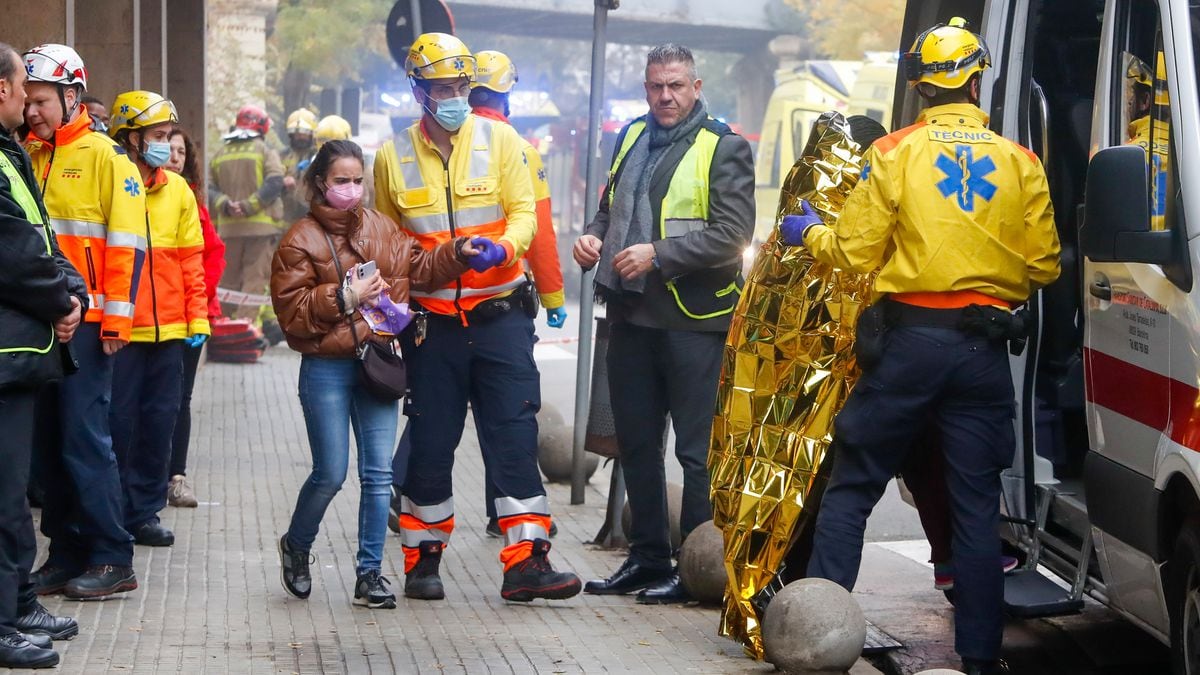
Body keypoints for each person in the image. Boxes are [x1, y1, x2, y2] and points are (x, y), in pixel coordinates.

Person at [782, 19, 1060, 675]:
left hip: (907, 345)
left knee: (851, 489)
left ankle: (819, 643)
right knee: (974, 510)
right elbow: (1044, 265)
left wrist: (808, 232)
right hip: (982, 352)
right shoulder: (1019, 161)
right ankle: (982, 658)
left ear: (922, 85)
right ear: (974, 77)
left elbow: (851, 252)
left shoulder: (896, 152)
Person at [374, 32, 581, 603]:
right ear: (419, 91)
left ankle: (527, 562)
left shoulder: (503, 140)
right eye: (444, 87)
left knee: (514, 434)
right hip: (432, 325)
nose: (456, 96)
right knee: (433, 442)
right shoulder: (392, 156)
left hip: (501, 317)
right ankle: (422, 561)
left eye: (462, 86)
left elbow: (525, 214)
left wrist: (505, 249)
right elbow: (387, 245)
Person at [271, 139, 485, 609]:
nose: (351, 189)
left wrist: (459, 252)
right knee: (330, 472)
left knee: (378, 476)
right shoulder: (299, 240)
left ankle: (369, 574)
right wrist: (346, 298)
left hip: (380, 362)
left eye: (357, 180)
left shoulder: (383, 228)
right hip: (326, 367)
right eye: (340, 181)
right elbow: (291, 316)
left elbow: (422, 267)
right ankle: (297, 545)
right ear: (320, 184)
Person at [576, 43, 754, 605]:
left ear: (696, 86)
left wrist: (658, 252)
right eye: (656, 86)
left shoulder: (724, 147)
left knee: (696, 453)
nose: (665, 96)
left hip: (693, 320)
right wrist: (593, 237)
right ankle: (647, 556)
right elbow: (610, 207)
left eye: (676, 85)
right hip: (631, 313)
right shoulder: (631, 134)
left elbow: (732, 235)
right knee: (636, 442)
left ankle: (695, 568)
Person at [23, 42, 142, 600]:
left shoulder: (106, 158)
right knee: (49, 446)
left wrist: (116, 321)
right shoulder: (30, 155)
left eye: (42, 101)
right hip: (46, 322)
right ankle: (66, 553)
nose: (32, 111)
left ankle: (112, 555)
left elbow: (128, 245)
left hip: (92, 324)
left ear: (72, 95)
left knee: (83, 440)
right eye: (28, 101)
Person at [0, 40, 85, 669]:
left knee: (13, 489)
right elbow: (15, 254)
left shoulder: (9, 155)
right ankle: (4, 619)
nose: (29, 106)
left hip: (20, 348)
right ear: (3, 89)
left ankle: (20, 601)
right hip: (8, 347)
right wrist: (62, 300)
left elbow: (40, 236)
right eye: (23, 93)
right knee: (4, 494)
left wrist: (70, 289)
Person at [105, 91, 210, 546]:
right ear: (131, 138)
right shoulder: (112, 181)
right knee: (119, 425)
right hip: (124, 332)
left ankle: (144, 512)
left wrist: (198, 321)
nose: (166, 145)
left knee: (159, 423)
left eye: (169, 136)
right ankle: (114, 511)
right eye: (158, 136)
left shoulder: (179, 190)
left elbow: (192, 263)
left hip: (170, 332)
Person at [165, 127, 226, 508]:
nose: (173, 157)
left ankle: (176, 477)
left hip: (188, 317)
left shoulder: (192, 203)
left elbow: (211, 257)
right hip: (147, 319)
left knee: (180, 399)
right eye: (167, 148)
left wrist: (197, 306)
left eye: (180, 152)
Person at [209, 104, 283, 324]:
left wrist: (227, 205)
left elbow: (210, 188)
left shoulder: (221, 151)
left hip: (229, 229)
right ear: (262, 127)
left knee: (227, 278)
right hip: (260, 229)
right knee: (254, 279)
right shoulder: (263, 150)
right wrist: (249, 205)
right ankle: (245, 326)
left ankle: (222, 323)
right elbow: (275, 181)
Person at [280, 109, 317, 225]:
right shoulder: (280, 156)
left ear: (312, 134)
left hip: (312, 217)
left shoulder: (319, 156)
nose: (300, 137)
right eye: (296, 133)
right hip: (286, 217)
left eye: (304, 133)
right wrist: (282, 181)